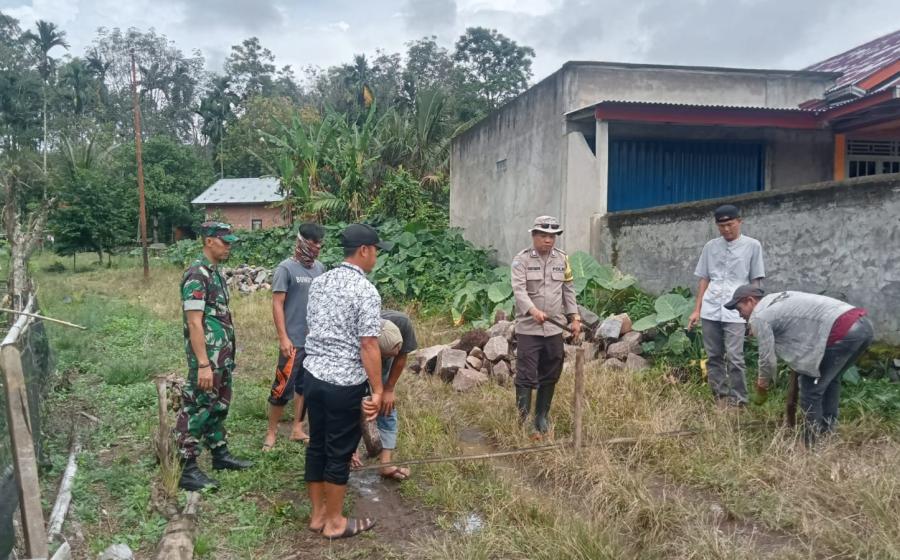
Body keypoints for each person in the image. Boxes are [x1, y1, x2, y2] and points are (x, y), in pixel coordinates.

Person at [303, 223, 393, 539]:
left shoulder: (319, 282)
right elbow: (368, 344)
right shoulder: (366, 291)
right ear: (365, 250)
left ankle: (318, 516)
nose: (376, 257)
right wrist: (378, 390)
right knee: (338, 451)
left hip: (313, 376)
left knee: (317, 446)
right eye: (376, 251)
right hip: (343, 385)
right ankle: (335, 523)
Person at [725, 285, 874, 446]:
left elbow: (767, 359)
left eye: (739, 309)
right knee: (830, 381)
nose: (740, 316)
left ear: (750, 301)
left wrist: (762, 385)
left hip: (843, 331)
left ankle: (812, 446)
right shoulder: (778, 298)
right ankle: (827, 436)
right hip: (863, 326)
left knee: (811, 390)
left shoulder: (760, 316)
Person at [175, 222, 253, 491]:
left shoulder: (215, 273)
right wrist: (203, 365)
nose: (229, 246)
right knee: (197, 406)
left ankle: (220, 454)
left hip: (222, 357)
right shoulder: (197, 275)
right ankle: (185, 467)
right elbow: (194, 323)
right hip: (207, 358)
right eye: (225, 242)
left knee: (218, 405)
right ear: (209, 241)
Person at [687, 204, 765, 407]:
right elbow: (704, 279)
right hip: (711, 309)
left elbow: (755, 283)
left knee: (735, 357)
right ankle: (720, 397)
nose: (726, 230)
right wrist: (697, 310)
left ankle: (739, 401)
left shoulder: (752, 246)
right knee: (713, 356)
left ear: (740, 222)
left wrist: (754, 316)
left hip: (737, 312)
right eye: (721, 226)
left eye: (730, 225)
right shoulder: (710, 247)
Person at [511, 215, 580, 436]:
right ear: (534, 236)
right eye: (543, 235)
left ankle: (541, 416)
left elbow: (568, 290)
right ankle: (522, 420)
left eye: (552, 236)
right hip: (529, 328)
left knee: (551, 370)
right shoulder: (521, 261)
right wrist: (533, 311)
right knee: (526, 374)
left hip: (553, 328)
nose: (548, 240)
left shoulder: (562, 260)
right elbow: (519, 291)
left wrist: (574, 317)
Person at [262, 223, 326, 451]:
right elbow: (277, 304)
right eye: (313, 243)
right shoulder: (285, 269)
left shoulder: (320, 268)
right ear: (302, 242)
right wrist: (283, 338)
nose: (317, 248)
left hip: (314, 342)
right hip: (293, 341)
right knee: (282, 387)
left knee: (306, 387)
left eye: (320, 244)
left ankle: (297, 428)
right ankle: (271, 433)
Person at [377, 310, 418, 480]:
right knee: (355, 409)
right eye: (387, 356)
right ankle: (348, 456)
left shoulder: (403, 324)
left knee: (388, 409)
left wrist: (388, 390)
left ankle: (385, 465)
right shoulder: (360, 332)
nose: (391, 358)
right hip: (357, 366)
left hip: (382, 371)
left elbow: (402, 357)